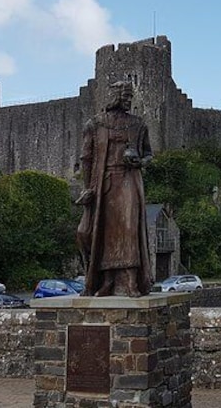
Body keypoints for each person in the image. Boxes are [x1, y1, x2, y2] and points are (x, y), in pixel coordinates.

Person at [75, 81, 153, 297]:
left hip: (129, 180)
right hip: (104, 183)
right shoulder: (95, 124)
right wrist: (87, 188)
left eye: (130, 97)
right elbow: (87, 158)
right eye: (125, 96)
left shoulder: (138, 124)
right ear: (115, 97)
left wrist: (139, 161)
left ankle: (129, 279)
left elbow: (149, 154)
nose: (128, 101)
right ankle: (107, 281)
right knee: (105, 231)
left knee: (128, 229)